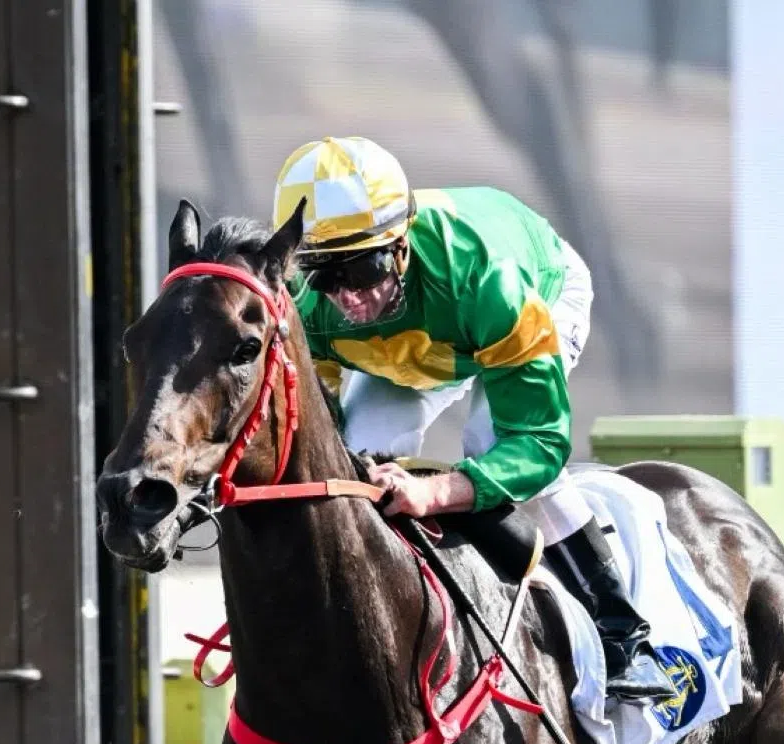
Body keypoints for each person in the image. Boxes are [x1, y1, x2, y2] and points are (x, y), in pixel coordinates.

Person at [270, 136, 678, 701]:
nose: (351, 299)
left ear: (401, 244)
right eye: (326, 276)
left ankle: (624, 637)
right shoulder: (303, 301)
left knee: (491, 445)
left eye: (364, 269)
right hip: (416, 337)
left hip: (530, 295)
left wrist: (435, 492)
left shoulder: (490, 280)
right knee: (359, 458)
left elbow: (538, 443)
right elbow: (319, 427)